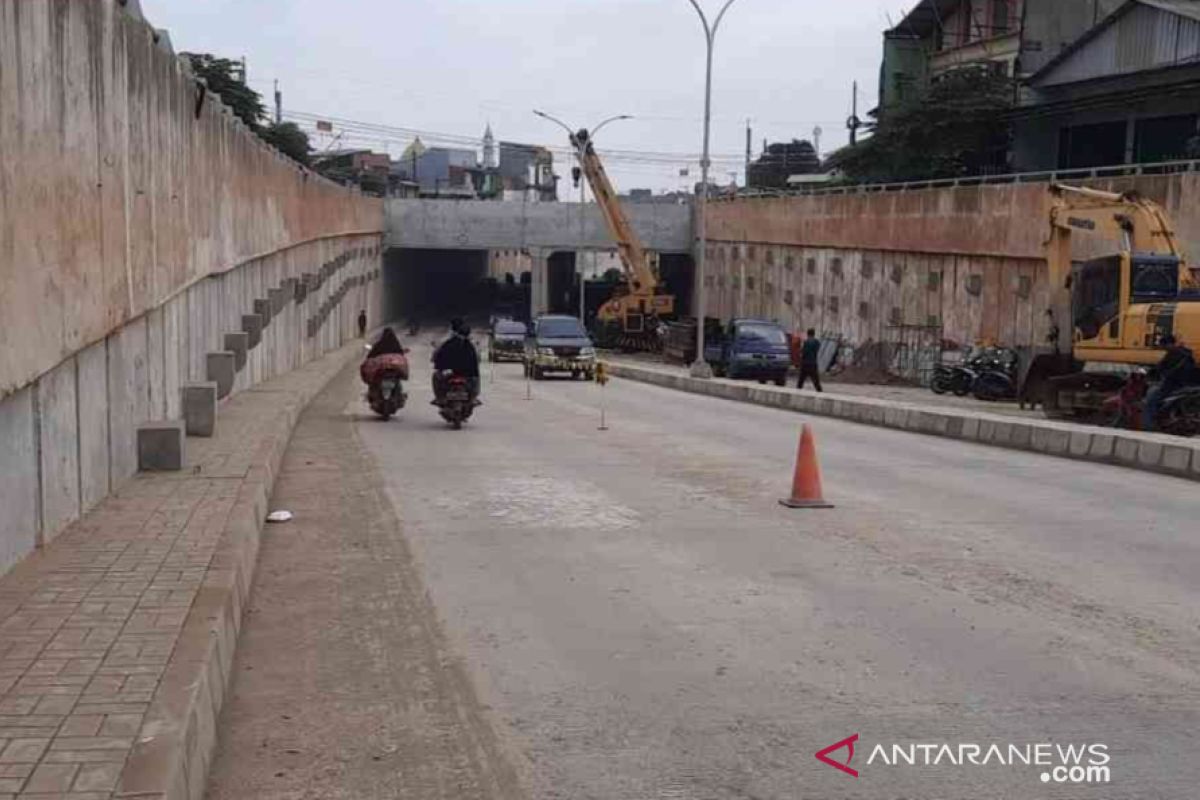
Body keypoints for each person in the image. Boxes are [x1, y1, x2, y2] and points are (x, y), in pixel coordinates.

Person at [1142, 334, 1195, 431]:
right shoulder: (1187, 353)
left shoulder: (1172, 353)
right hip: (1188, 384)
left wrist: (1150, 374)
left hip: (1173, 384)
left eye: (1163, 346)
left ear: (1168, 344)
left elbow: (1160, 367)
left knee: (1150, 400)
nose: (1163, 348)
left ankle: (1149, 426)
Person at [432, 318, 481, 404]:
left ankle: (440, 398)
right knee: (475, 378)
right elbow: (477, 358)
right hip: (467, 372)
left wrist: (439, 364)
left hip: (450, 371)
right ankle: (473, 398)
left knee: (436, 376)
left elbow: (438, 355)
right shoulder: (470, 344)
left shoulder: (448, 342)